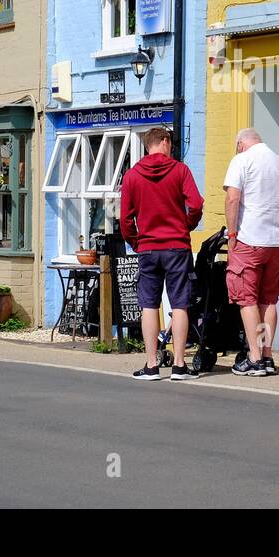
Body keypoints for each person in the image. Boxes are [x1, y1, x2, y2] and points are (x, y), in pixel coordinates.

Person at [120, 127, 205, 381]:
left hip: (148, 248)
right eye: (171, 143)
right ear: (165, 142)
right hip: (177, 246)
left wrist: (136, 242)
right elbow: (197, 204)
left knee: (149, 304)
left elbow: (125, 219)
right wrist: (188, 224)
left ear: (148, 146)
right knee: (180, 304)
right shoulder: (180, 170)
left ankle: (151, 365)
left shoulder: (132, 176)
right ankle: (179, 365)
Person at [223, 127, 279, 377]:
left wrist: (232, 235)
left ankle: (254, 357)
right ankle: (267, 356)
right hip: (276, 242)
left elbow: (233, 199)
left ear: (241, 144)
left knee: (247, 298)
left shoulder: (241, 160)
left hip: (249, 238)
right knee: (269, 299)